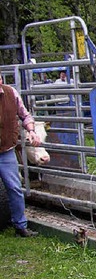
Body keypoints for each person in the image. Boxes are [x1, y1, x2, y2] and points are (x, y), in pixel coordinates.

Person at [0, 77, 42, 237]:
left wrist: (31, 131)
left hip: (6, 151)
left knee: (15, 188)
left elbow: (25, 116)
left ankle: (20, 226)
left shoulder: (11, 93)